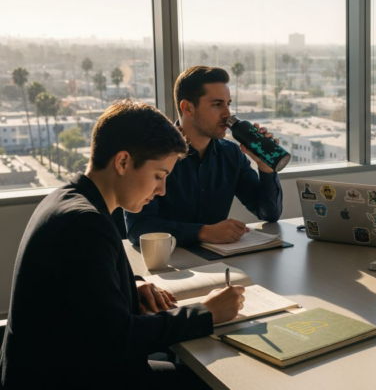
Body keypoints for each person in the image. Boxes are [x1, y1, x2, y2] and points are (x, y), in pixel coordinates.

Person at [0, 100, 245, 388]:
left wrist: (132, 286)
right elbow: (117, 338)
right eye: (158, 176)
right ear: (123, 162)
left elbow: (83, 292)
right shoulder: (85, 224)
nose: (162, 190)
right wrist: (206, 313)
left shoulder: (68, 199)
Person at [125, 66, 283, 247]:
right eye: (217, 104)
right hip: (169, 266)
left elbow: (269, 214)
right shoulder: (152, 155)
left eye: (228, 104)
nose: (227, 114)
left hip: (220, 264)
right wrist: (203, 232)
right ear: (187, 108)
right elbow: (138, 228)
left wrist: (266, 167)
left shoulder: (232, 154)